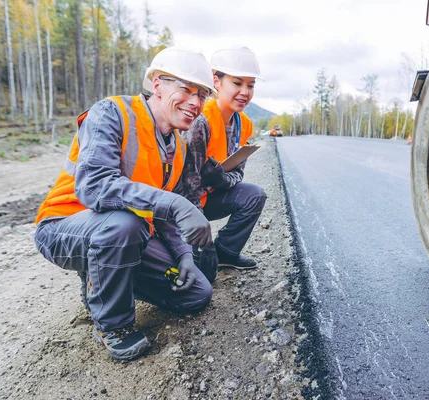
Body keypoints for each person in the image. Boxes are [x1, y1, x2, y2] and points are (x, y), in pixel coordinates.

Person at [33, 47, 217, 361]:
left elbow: (160, 216)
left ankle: (104, 279)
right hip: (64, 227)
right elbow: (94, 186)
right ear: (157, 85)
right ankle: (113, 324)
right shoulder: (111, 112)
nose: (195, 103)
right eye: (185, 89)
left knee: (196, 293)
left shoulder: (178, 147)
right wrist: (172, 203)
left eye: (201, 95)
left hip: (127, 236)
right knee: (124, 224)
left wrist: (184, 253)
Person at [180, 46, 267, 280]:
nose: (245, 92)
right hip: (183, 207)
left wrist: (221, 179)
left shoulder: (244, 124)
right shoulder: (200, 120)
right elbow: (185, 188)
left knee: (254, 195)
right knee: (203, 278)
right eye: (237, 83)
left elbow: (238, 173)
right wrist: (201, 238)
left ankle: (226, 253)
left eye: (250, 85)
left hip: (211, 194)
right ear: (216, 82)